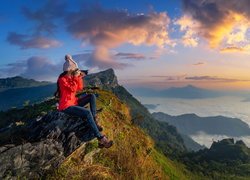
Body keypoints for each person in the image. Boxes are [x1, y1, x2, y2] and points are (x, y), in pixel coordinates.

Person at [56, 55, 113, 148]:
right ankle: (101, 138)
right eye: (74, 70)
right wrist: (75, 77)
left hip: (74, 102)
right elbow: (72, 89)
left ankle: (94, 119)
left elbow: (79, 88)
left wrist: (79, 77)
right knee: (87, 112)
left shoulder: (71, 78)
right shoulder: (62, 80)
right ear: (69, 70)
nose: (75, 71)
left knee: (91, 96)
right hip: (66, 106)